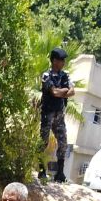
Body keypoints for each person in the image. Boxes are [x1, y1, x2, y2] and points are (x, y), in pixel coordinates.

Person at [40, 46, 74, 183]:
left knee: (63, 143)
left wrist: (63, 90)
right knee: (43, 142)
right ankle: (41, 171)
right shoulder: (46, 76)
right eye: (61, 60)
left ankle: (60, 174)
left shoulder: (64, 75)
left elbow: (73, 92)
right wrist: (65, 90)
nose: (63, 63)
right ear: (54, 61)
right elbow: (54, 92)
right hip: (48, 113)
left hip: (59, 114)